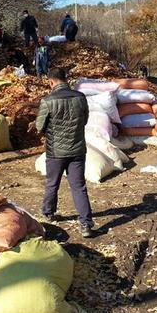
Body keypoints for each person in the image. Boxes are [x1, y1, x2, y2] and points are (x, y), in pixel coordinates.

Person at [35, 67, 95, 238]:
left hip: (55, 151)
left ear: (51, 82)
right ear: (65, 79)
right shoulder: (80, 97)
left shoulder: (48, 100)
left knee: (52, 183)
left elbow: (39, 127)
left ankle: (48, 213)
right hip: (77, 150)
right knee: (79, 186)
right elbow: (85, 120)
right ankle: (86, 224)